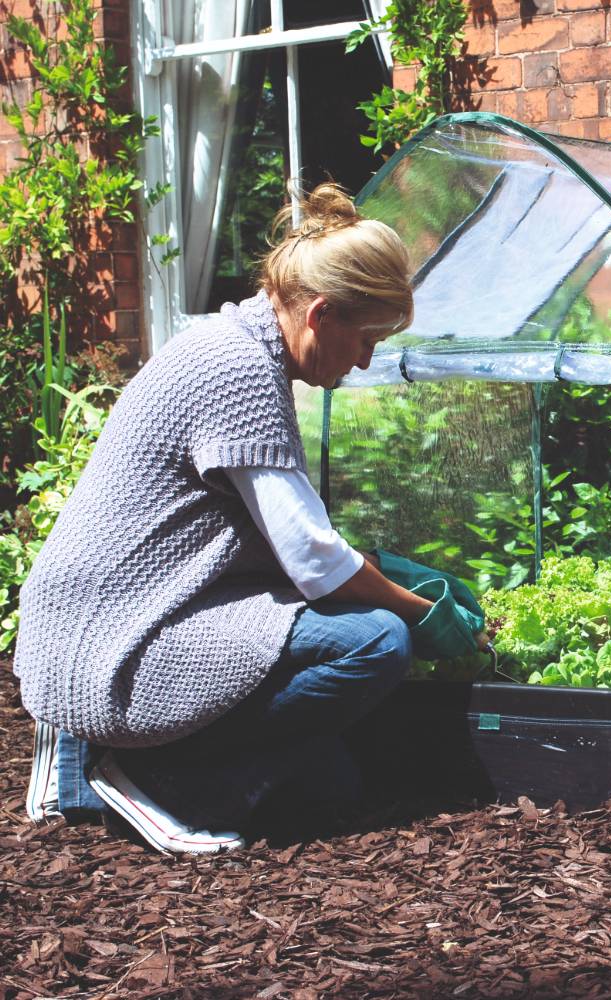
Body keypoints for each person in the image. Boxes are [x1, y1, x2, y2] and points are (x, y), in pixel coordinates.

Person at [14, 182, 487, 855]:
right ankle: (155, 778)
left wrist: (382, 570)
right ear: (321, 313)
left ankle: (81, 764)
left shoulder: (238, 345)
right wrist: (420, 611)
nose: (366, 361)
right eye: (367, 338)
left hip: (123, 616)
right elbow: (313, 561)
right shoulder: (236, 370)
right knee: (378, 640)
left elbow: (279, 541)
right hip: (116, 638)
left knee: (332, 792)